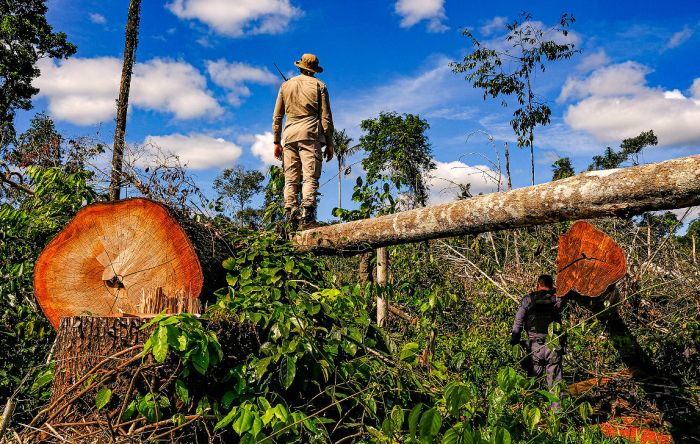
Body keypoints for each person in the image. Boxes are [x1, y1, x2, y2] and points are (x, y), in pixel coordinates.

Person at [272, 53, 334, 229]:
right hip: (310, 134)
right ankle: (307, 216)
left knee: (290, 179)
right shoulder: (319, 86)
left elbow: (277, 116)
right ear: (314, 70)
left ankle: (290, 215)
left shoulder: (285, 85)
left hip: (289, 136)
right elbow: (326, 119)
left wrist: (276, 141)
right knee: (310, 177)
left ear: (299, 67)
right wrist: (329, 143)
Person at [509, 274, 567, 408]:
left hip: (535, 346)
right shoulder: (556, 299)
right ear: (552, 286)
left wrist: (515, 342)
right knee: (555, 383)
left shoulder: (528, 299)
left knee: (533, 382)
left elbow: (518, 322)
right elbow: (564, 294)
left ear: (537, 285)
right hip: (553, 345)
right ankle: (556, 416)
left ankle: (531, 413)